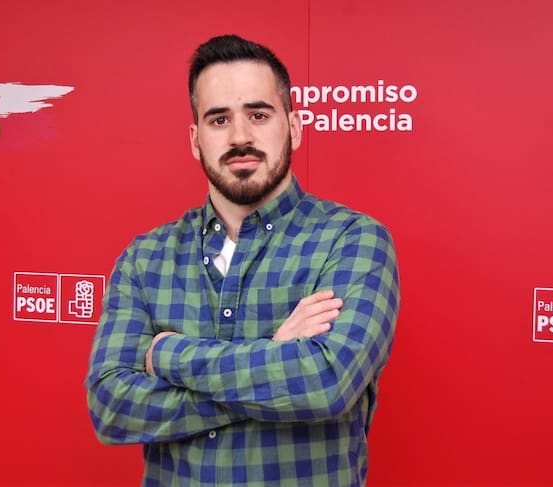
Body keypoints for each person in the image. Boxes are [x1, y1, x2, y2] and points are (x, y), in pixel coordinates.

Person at [86, 34, 400, 487]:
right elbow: (112, 408)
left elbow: (326, 382)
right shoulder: (146, 258)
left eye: (258, 114)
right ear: (195, 139)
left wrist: (167, 353)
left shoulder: (352, 240)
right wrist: (277, 356)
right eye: (219, 120)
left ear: (294, 127)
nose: (239, 137)